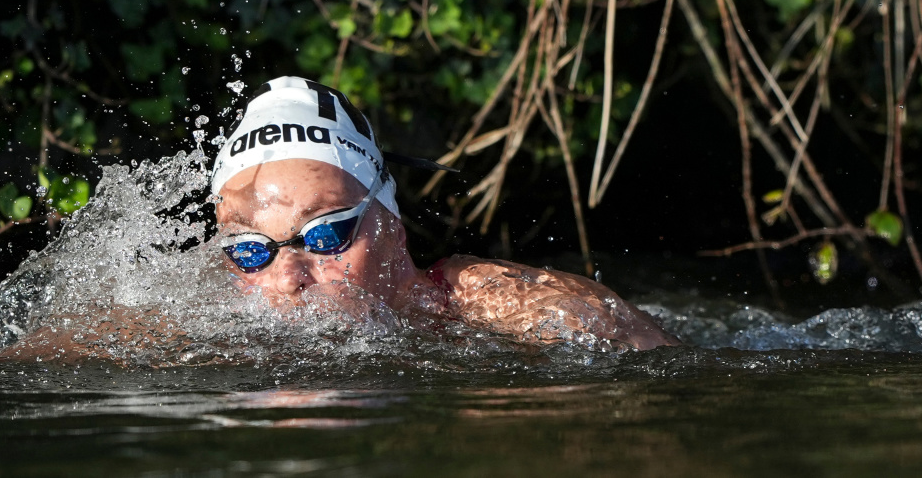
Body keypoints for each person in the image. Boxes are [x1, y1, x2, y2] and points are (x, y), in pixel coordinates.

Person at [211, 76, 679, 351]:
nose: (289, 278)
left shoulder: (489, 301)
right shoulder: (208, 319)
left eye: (326, 234)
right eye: (251, 251)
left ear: (393, 228)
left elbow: (663, 367)